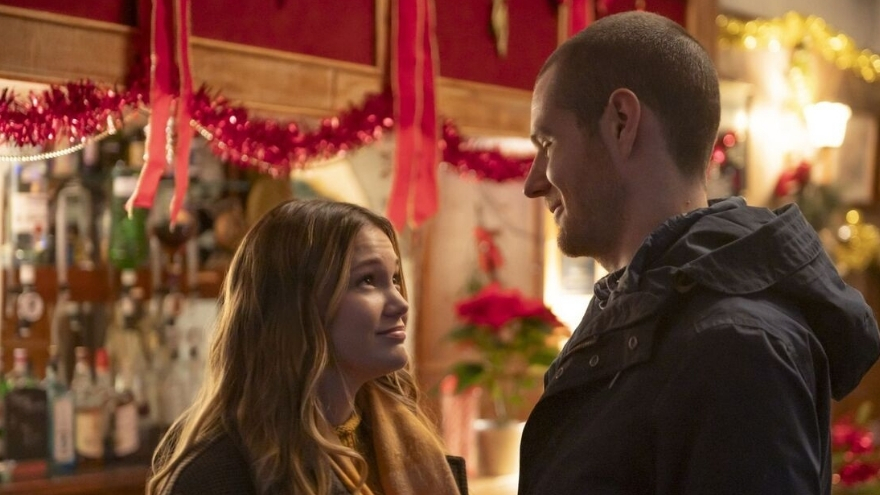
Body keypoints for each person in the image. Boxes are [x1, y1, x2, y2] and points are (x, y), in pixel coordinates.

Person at [520, 10, 880, 495]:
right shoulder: (653, 314)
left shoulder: (737, 349)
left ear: (621, 122)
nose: (533, 181)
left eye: (548, 143)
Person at [147, 199, 466, 495]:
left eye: (394, 278)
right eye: (367, 280)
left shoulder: (405, 437)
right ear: (296, 307)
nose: (400, 304)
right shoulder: (217, 478)